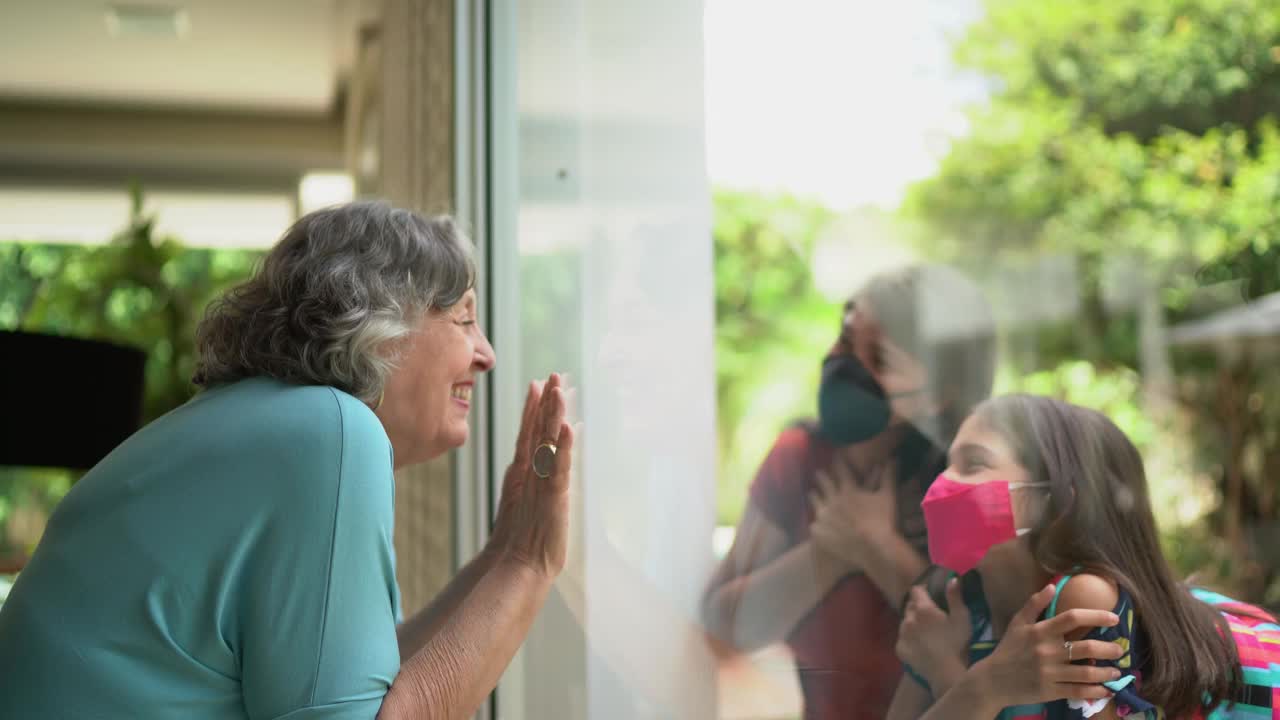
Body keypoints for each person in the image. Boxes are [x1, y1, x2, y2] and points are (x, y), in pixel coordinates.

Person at [0, 201, 577, 720]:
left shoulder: (271, 425)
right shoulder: (330, 431)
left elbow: (359, 691)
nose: (487, 354)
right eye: (464, 317)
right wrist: (527, 563)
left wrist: (503, 549)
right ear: (381, 322)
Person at [701, 264, 997, 720]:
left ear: (937, 394)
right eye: (844, 337)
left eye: (877, 359)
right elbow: (726, 626)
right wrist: (828, 553)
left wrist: (875, 545)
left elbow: (988, 662)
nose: (842, 363)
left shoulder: (968, 484)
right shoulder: (799, 458)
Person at [891, 394, 1280, 720]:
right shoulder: (951, 612)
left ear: (1053, 503)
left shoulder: (1086, 600)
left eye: (973, 463)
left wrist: (966, 683)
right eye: (947, 464)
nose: (943, 483)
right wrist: (963, 679)